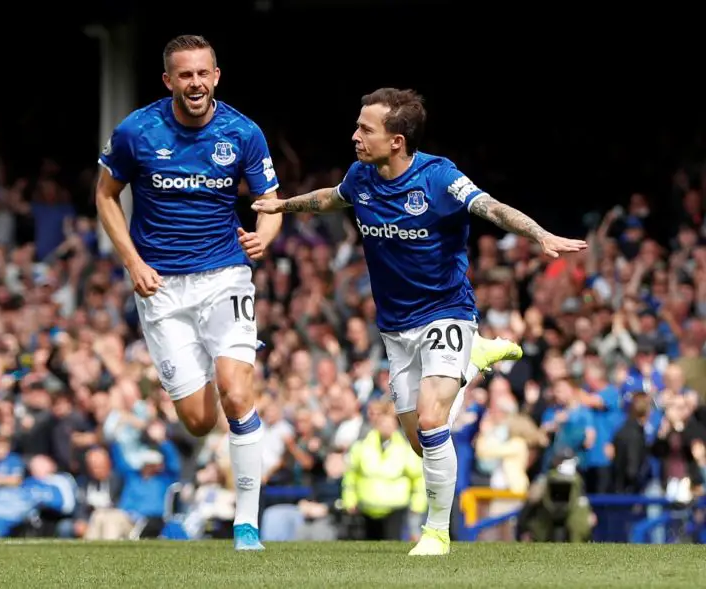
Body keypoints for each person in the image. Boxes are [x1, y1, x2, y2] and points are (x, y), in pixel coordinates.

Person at [252, 87, 587, 555]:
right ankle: (474, 358)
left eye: (365, 129)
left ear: (397, 141)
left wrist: (539, 233)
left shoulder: (439, 177)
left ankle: (436, 533)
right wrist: (284, 206)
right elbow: (333, 198)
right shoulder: (361, 176)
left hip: (446, 312)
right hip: (396, 328)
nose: (355, 136)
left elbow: (491, 207)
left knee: (432, 420)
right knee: (420, 442)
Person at [96, 34, 282, 551]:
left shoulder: (243, 133)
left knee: (237, 391)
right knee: (199, 422)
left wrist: (264, 237)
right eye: (185, 75)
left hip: (225, 275)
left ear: (216, 76)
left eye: (203, 73)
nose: (195, 83)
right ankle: (200, 385)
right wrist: (132, 261)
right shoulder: (136, 131)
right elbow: (106, 196)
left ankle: (247, 524)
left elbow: (269, 202)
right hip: (160, 286)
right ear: (168, 81)